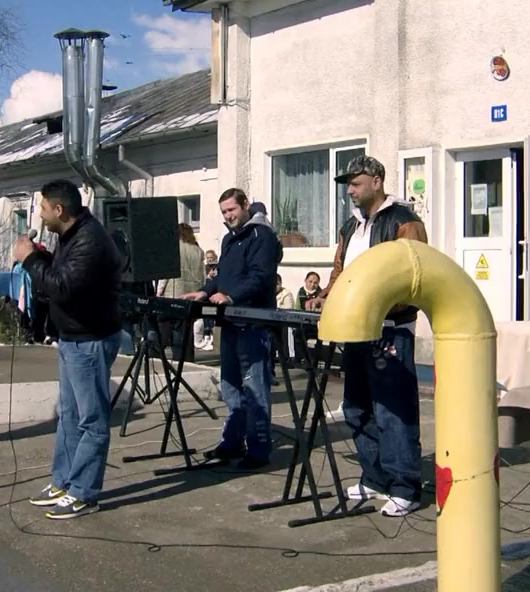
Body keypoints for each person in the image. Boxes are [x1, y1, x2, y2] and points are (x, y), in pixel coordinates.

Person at [305, 155, 428, 517]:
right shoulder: (351, 226)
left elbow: (415, 276)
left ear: (377, 181)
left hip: (391, 329)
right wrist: (324, 297)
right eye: (348, 185)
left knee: (393, 409)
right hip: (356, 328)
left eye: (355, 183)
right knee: (356, 406)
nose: (350, 191)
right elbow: (339, 272)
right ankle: (375, 478)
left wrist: (378, 307)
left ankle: (405, 486)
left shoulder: (404, 221)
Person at [16, 179, 124, 520]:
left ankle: (84, 492)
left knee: (91, 419)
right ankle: (63, 481)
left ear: (59, 209)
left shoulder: (89, 240)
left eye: (43, 208)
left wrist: (31, 260)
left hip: (90, 340)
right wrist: (42, 259)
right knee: (70, 415)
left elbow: (63, 287)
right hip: (72, 337)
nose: (40, 215)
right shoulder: (70, 235)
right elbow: (63, 279)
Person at [182, 188, 282, 471]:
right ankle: (233, 442)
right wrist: (204, 291)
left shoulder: (262, 236)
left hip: (252, 324)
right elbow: (222, 275)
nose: (228, 216)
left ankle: (259, 449)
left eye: (232, 210)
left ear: (245, 205)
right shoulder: (229, 239)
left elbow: (261, 277)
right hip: (229, 324)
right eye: (224, 212)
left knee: (255, 389)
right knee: (231, 387)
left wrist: (231, 296)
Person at [158, 223, 206, 362]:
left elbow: (166, 272)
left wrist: (159, 290)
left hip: (173, 293)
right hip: (192, 294)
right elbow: (202, 275)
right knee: (186, 330)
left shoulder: (173, 249)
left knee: (165, 329)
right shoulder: (198, 251)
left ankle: (158, 356)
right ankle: (185, 360)